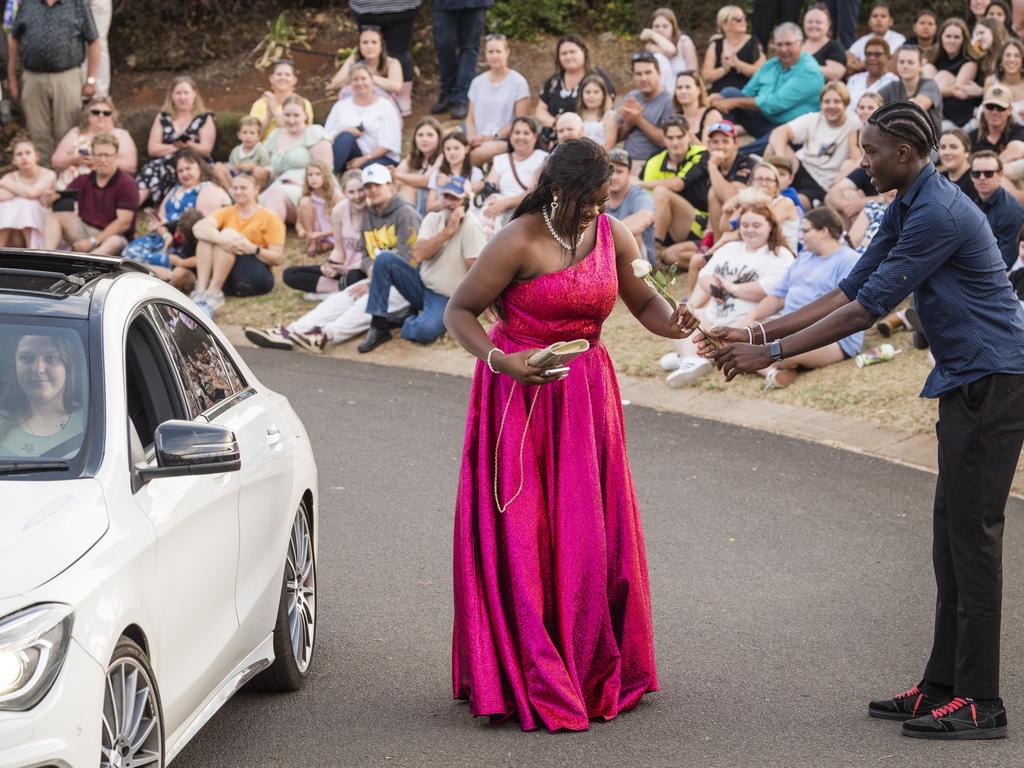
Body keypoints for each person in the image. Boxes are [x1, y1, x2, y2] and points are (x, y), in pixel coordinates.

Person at [702, 101, 1024, 740]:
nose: (863, 160)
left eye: (871, 151)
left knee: (973, 540)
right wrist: (756, 327)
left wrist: (765, 353)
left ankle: (981, 702)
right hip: (970, 380)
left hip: (995, 381)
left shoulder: (936, 211)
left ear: (904, 153)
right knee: (949, 539)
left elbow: (864, 313)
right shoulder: (909, 200)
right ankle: (941, 687)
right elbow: (847, 287)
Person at [444, 137, 698, 732]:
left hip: (587, 397)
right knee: (524, 524)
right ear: (558, 188)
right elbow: (461, 310)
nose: (596, 210)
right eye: (587, 200)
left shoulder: (615, 234)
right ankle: (519, 667)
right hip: (521, 393)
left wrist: (674, 323)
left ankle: (588, 662)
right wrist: (501, 362)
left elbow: (644, 305)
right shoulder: (518, 239)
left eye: (604, 198)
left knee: (588, 526)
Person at [661, 200, 793, 386]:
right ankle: (692, 358)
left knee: (740, 343)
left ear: (771, 226)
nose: (750, 230)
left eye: (757, 225)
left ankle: (691, 355)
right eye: (745, 225)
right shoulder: (731, 248)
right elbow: (705, 275)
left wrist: (731, 287)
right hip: (715, 318)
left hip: (748, 322)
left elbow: (768, 290)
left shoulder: (780, 254)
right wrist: (714, 287)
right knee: (682, 316)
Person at [356, 176, 484, 352]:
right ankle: (378, 325)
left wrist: (467, 311)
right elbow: (418, 254)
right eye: (446, 196)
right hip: (421, 285)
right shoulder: (433, 218)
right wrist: (447, 232)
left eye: (455, 198)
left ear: (466, 201)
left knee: (423, 331)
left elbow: (475, 271)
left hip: (447, 297)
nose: (449, 202)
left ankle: (406, 319)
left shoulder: (472, 226)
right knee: (384, 258)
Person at [745, 207, 862, 388]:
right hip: (790, 327)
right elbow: (777, 297)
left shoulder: (849, 260)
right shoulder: (804, 257)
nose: (800, 236)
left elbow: (847, 307)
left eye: (805, 231)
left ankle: (774, 367)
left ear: (824, 231)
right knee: (739, 339)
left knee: (775, 350)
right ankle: (774, 373)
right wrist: (752, 318)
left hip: (834, 337)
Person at [7, 0, 99, 161]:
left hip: (67, 76)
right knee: (37, 132)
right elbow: (14, 38)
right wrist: (12, 77)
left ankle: (65, 179)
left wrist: (91, 79)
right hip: (32, 77)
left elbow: (94, 41)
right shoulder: (27, 4)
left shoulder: (77, 4)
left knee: (67, 132)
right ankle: (44, 176)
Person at [710, 22, 825, 146]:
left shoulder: (809, 70)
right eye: (779, 45)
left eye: (788, 44)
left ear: (801, 44)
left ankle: (734, 154)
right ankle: (723, 140)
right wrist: (721, 99)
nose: (783, 49)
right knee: (728, 93)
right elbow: (746, 92)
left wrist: (734, 102)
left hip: (791, 129)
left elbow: (774, 104)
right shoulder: (772, 64)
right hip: (765, 121)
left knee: (752, 150)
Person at [123, 148, 230, 279]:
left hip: (182, 241)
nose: (185, 173)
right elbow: (160, 219)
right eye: (181, 170)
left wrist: (172, 234)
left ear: (199, 166)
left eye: (188, 168)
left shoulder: (207, 188)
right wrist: (165, 234)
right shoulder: (175, 189)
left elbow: (201, 223)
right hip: (163, 236)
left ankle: (169, 277)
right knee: (129, 254)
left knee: (146, 261)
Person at [190, 172, 286, 317]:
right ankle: (201, 292)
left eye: (243, 188)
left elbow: (278, 258)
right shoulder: (227, 212)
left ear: (255, 190)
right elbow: (198, 227)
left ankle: (214, 293)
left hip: (256, 275)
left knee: (228, 233)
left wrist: (253, 249)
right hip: (229, 275)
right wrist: (221, 239)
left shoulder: (270, 217)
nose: (238, 192)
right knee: (208, 237)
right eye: (235, 188)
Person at [769, 81, 862, 208]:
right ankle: (768, 185)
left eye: (837, 101)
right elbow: (779, 132)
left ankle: (784, 201)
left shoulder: (854, 123)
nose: (831, 106)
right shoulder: (814, 118)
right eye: (827, 101)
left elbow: (856, 158)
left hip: (822, 182)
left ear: (845, 104)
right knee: (773, 145)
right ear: (821, 104)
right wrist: (780, 158)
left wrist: (839, 180)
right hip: (800, 167)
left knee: (796, 202)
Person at [43, 132, 137, 256]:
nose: (103, 160)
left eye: (108, 155)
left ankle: (86, 265)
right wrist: (51, 200)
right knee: (54, 214)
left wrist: (93, 241)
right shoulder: (82, 180)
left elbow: (123, 223)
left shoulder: (127, 184)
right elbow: (61, 204)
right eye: (99, 155)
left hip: (115, 237)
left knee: (114, 242)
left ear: (116, 156)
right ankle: (46, 255)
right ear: (92, 156)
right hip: (85, 231)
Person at [281, 168, 367, 301]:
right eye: (351, 192)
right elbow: (338, 248)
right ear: (344, 192)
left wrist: (347, 269)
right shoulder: (339, 210)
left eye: (361, 190)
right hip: (344, 268)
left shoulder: (374, 212)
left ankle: (336, 291)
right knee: (290, 274)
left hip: (363, 270)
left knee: (354, 277)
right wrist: (331, 265)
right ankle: (338, 289)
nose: (357, 196)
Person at [0, 332, 86, 459]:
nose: (38, 369)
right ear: (15, 365)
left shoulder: (92, 423)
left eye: (50, 358)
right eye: (26, 358)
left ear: (68, 365)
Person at [136, 76, 216, 207]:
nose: (182, 97)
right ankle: (131, 206)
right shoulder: (163, 117)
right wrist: (177, 147)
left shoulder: (204, 117)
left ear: (194, 94)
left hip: (194, 160)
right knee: (151, 169)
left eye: (186, 93)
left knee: (183, 168)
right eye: (178, 93)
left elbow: (206, 149)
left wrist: (189, 145)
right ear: (171, 96)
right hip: (166, 160)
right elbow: (153, 148)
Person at [637, 114, 710, 249]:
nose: (675, 143)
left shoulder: (701, 154)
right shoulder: (655, 159)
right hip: (659, 220)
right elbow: (645, 197)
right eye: (670, 138)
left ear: (689, 136)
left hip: (696, 223)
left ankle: (656, 248)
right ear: (664, 139)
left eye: (680, 137)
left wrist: (639, 183)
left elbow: (678, 183)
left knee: (660, 192)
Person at [260, 95, 334, 225]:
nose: (291, 120)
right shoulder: (275, 135)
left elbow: (325, 171)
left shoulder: (314, 133)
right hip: (279, 184)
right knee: (260, 199)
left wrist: (298, 182)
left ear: (305, 115)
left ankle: (271, 237)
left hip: (310, 188)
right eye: (287, 115)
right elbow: (271, 167)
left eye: (296, 115)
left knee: (277, 194)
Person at [325, 63, 403, 174]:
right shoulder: (340, 106)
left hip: (379, 157)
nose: (360, 83)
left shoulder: (385, 106)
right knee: (346, 137)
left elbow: (389, 144)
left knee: (366, 171)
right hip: (349, 154)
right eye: (355, 80)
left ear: (372, 80)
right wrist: (345, 131)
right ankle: (328, 176)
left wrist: (364, 159)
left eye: (363, 79)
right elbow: (326, 135)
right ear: (350, 83)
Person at [465, 34, 530, 166]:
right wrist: (471, 138)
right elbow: (470, 118)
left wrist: (490, 138)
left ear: (507, 52)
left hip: (504, 139)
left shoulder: (518, 82)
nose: (494, 56)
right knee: (449, 144)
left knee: (476, 155)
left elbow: (520, 121)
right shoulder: (477, 82)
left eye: (498, 51)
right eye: (490, 52)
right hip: (477, 137)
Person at [347, 0, 421, 116]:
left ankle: (402, 98)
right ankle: (372, 93)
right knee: (371, 50)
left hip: (400, 8)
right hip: (367, 8)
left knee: (398, 52)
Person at [480, 116, 547, 238]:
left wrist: (505, 203)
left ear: (535, 136)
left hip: (526, 209)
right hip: (498, 206)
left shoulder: (543, 159)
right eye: (517, 132)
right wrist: (494, 200)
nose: (520, 136)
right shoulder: (501, 159)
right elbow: (490, 186)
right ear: (510, 136)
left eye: (526, 133)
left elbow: (535, 191)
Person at [51, 96, 137, 190]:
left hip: (106, 188)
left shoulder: (121, 135)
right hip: (70, 188)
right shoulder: (76, 132)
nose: (101, 116)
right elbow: (56, 161)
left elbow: (131, 165)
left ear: (112, 116)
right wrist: (75, 159)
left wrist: (99, 160)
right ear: (88, 116)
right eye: (96, 112)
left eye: (106, 113)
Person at [535, 35, 616, 134]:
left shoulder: (596, 75)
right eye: (564, 53)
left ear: (584, 52)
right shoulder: (554, 81)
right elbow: (540, 110)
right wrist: (557, 123)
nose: (568, 57)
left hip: (585, 137)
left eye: (572, 52)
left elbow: (608, 107)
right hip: (554, 137)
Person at [431, 0, 492, 120]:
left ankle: (462, 96)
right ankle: (448, 91)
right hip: (443, 4)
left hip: (475, 4)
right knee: (444, 46)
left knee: (469, 48)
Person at [617, 52, 674, 173]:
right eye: (638, 74)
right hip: (626, 161)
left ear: (659, 74)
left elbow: (666, 141)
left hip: (654, 163)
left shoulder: (669, 101)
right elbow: (618, 137)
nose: (643, 78)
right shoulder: (631, 96)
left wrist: (639, 120)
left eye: (648, 73)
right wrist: (628, 123)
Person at [925, 18, 984, 129]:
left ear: (964, 39)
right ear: (941, 37)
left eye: (957, 37)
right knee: (928, 68)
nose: (952, 41)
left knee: (943, 76)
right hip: (936, 109)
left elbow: (958, 91)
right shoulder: (933, 57)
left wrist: (926, 91)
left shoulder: (969, 61)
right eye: (948, 36)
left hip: (958, 113)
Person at [328, 25, 403, 110]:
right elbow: (334, 84)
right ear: (359, 46)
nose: (369, 46)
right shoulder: (355, 62)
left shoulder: (392, 63)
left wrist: (368, 77)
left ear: (381, 46)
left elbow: (396, 86)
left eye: (374, 42)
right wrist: (349, 61)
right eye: (365, 42)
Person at [971, 150, 1024, 268]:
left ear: (1000, 175)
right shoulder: (972, 204)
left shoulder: (1011, 211)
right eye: (976, 173)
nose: (982, 178)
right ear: (971, 176)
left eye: (988, 173)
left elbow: (1007, 260)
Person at [706, 119, 759, 238]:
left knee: (714, 192)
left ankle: (717, 249)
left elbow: (730, 198)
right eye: (715, 142)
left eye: (725, 141)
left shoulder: (748, 162)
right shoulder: (707, 163)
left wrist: (712, 167)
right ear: (709, 145)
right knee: (675, 253)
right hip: (713, 225)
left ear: (736, 144)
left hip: (746, 226)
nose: (720, 146)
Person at [0, 137, 55, 247]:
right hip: (14, 230)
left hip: (43, 223)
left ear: (36, 156)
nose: (24, 157)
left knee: (25, 203)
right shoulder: (9, 177)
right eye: (19, 154)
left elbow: (32, 193)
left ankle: (33, 249)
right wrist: (26, 193)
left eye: (28, 153)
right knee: (17, 203)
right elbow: (1, 196)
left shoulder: (48, 174)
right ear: (13, 160)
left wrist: (7, 185)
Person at [879, 46, 944, 138]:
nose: (905, 66)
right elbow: (872, 101)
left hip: (928, 144)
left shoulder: (930, 84)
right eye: (902, 62)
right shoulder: (893, 86)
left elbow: (914, 108)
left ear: (921, 66)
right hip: (898, 140)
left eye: (910, 62)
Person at [606, 148, 656, 264]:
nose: (614, 177)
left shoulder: (639, 195)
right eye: (610, 171)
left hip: (641, 262)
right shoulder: (598, 195)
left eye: (619, 172)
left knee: (632, 234)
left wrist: (603, 235)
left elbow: (644, 219)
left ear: (630, 173)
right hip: (609, 257)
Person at [702, 5, 765, 95]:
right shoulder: (715, 45)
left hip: (746, 93)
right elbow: (706, 76)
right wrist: (724, 69)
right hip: (718, 92)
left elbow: (762, 72)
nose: (743, 22)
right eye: (738, 19)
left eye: (744, 18)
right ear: (725, 25)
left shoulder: (753, 43)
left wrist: (738, 64)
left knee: (727, 93)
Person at [249, 59, 315, 141]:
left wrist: (275, 112)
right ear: (271, 79)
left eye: (287, 75)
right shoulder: (260, 104)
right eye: (278, 74)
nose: (283, 78)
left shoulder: (303, 103)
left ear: (294, 80)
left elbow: (299, 135)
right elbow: (251, 137)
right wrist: (268, 117)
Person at [392, 116, 442, 215]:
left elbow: (426, 181)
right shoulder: (413, 156)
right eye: (420, 135)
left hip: (433, 203)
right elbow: (396, 174)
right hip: (414, 201)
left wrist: (397, 175)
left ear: (439, 138)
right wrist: (396, 176)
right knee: (397, 183)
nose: (424, 139)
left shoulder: (442, 156)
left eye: (430, 135)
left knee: (408, 186)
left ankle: (406, 224)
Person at [210, 115, 273, 192]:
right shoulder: (236, 151)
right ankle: (231, 192)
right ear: (239, 135)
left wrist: (252, 167)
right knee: (218, 166)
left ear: (259, 136)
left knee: (260, 171)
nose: (248, 136)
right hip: (237, 178)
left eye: (252, 133)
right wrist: (235, 168)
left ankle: (253, 194)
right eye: (245, 133)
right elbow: (231, 167)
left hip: (253, 180)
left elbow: (268, 170)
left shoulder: (261, 150)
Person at [426, 130, 483, 212]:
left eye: (456, 148)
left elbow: (478, 195)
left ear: (466, 149)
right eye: (448, 149)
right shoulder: (437, 174)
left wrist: (449, 182)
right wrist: (447, 201)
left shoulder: (476, 172)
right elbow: (429, 207)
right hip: (444, 216)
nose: (452, 152)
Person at [640, 7, 699, 86]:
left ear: (673, 27)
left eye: (665, 26)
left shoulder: (684, 42)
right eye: (656, 26)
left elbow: (693, 71)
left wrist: (652, 34)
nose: (660, 30)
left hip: (683, 88)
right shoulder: (651, 46)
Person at [295, 160, 340, 258]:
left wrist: (319, 234)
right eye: (310, 175)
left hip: (333, 232)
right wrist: (301, 230)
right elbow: (298, 222)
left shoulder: (336, 195)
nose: (313, 178)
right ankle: (313, 243)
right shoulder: (307, 197)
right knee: (304, 202)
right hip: (315, 234)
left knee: (326, 246)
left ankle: (329, 244)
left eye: (318, 174)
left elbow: (343, 224)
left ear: (325, 176)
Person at [847, 2, 906, 74]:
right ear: (869, 22)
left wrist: (863, 65)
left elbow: (891, 63)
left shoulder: (899, 39)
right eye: (875, 16)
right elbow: (849, 54)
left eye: (883, 16)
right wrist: (859, 64)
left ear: (890, 22)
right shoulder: (863, 40)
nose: (879, 19)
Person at [969, 83, 1024, 160]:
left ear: (1009, 110)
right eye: (990, 107)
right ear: (983, 108)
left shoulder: (1020, 132)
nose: (994, 112)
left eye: (1000, 108)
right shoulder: (972, 138)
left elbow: (1016, 151)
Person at [845, 37, 898, 108]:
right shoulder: (854, 79)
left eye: (877, 54)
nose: (872, 58)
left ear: (888, 57)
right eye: (868, 54)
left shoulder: (894, 82)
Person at [672, 70, 723, 142]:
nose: (683, 91)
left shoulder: (712, 115)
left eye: (688, 87)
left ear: (698, 90)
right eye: (679, 88)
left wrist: (690, 138)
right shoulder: (675, 117)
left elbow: (710, 149)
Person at [802, 4, 847, 82]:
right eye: (809, 22)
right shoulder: (796, 45)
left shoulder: (835, 47)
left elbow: (835, 74)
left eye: (818, 22)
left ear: (828, 25)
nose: (813, 25)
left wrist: (802, 67)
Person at [576, 74, 617, 150]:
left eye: (596, 92)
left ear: (603, 95)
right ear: (581, 95)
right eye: (588, 92)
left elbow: (608, 146)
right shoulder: (577, 117)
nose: (591, 96)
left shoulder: (608, 117)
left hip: (601, 157)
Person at [985, 39, 1024, 117]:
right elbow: (985, 114)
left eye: (1017, 56)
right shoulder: (991, 82)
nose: (1012, 60)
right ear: (1000, 60)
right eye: (1007, 55)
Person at [938, 127, 977, 198]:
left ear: (967, 151)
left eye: (953, 147)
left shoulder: (977, 178)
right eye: (943, 147)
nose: (947, 152)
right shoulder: (938, 179)